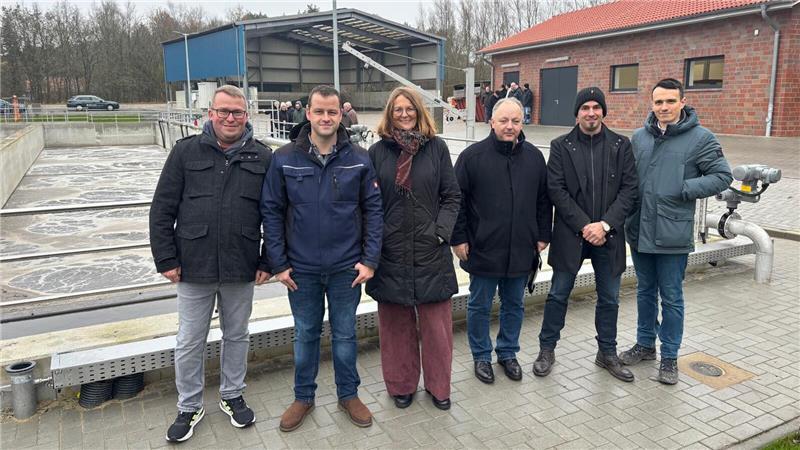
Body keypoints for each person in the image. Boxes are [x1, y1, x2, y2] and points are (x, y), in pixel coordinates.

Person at [149, 85, 271, 443]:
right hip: (193, 265)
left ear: (247, 116)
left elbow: (274, 214)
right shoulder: (186, 153)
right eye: (223, 112)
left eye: (237, 112)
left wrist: (269, 259)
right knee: (189, 339)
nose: (230, 118)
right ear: (210, 114)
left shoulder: (262, 157)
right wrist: (166, 258)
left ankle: (232, 394)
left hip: (242, 264)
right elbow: (162, 210)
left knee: (237, 335)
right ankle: (189, 405)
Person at [261, 85, 383, 431]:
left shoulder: (360, 157)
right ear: (308, 114)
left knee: (345, 334)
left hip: (347, 268)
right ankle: (303, 397)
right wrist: (279, 264)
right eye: (319, 111)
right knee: (305, 334)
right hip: (302, 270)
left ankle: (348, 394)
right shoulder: (284, 158)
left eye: (332, 112)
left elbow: (374, 211)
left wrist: (370, 260)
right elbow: (271, 212)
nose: (326, 118)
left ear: (341, 114)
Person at [620, 78, 732, 384]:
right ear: (652, 104)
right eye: (659, 102)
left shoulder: (701, 139)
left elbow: (722, 176)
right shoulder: (639, 138)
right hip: (640, 229)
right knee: (644, 291)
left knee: (671, 297)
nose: (664, 107)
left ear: (682, 101)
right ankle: (645, 345)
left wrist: (684, 188)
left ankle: (669, 356)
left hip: (672, 231)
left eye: (670, 101)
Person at [532, 87, 638, 382]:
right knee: (557, 294)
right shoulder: (561, 146)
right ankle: (547, 349)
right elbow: (556, 190)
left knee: (610, 299)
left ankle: (607, 352)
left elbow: (630, 190)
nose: (591, 112)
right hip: (572, 235)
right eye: (585, 108)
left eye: (596, 107)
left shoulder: (621, 145)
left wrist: (604, 225)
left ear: (603, 111)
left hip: (609, 236)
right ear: (577, 113)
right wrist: (585, 226)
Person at [366, 87, 461, 411]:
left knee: (437, 330)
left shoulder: (436, 149)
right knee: (395, 327)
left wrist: (440, 233)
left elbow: (452, 196)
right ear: (389, 115)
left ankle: (439, 387)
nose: (404, 114)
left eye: (409, 109)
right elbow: (369, 204)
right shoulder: (377, 153)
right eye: (397, 110)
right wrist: (376, 242)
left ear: (419, 112)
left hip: (430, 251)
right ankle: (401, 385)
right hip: (391, 252)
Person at [452, 98, 552, 384]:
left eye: (516, 121)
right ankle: (481, 355)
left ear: (523, 124)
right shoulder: (472, 157)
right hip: (482, 246)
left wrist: (544, 234)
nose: (510, 127)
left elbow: (544, 200)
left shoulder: (534, 157)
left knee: (514, 304)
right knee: (479, 305)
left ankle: (507, 352)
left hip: (521, 246)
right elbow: (456, 202)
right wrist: (458, 239)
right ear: (492, 122)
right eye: (504, 121)